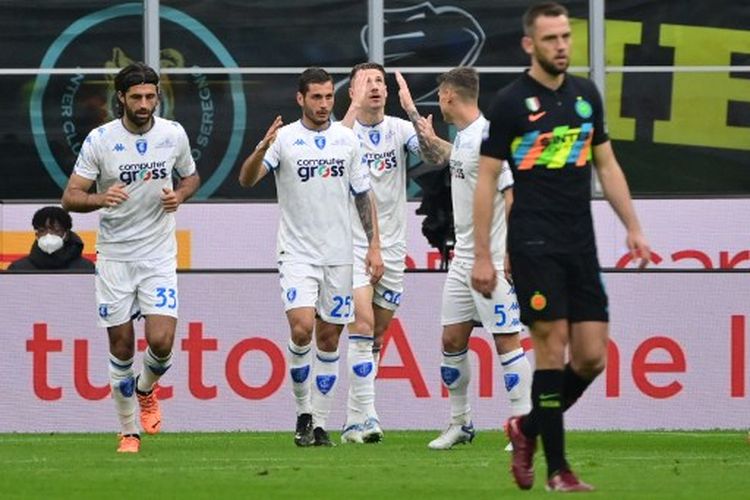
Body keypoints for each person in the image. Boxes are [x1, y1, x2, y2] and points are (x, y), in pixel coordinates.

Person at [473, 2, 651, 492]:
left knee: (592, 357)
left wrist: (633, 227)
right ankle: (559, 470)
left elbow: (607, 166)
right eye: (551, 39)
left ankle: (525, 428)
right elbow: (487, 180)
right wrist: (485, 255)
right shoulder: (511, 103)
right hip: (533, 241)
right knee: (550, 350)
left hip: (579, 241)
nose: (562, 46)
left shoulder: (585, 95)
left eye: (566, 37)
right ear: (530, 44)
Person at [238, 67, 384, 447]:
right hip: (297, 253)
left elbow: (362, 195)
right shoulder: (284, 139)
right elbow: (247, 180)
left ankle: (319, 424)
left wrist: (373, 245)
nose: (323, 105)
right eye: (315, 97)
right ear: (300, 98)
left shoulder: (346, 141)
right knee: (302, 327)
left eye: (328, 97)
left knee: (330, 338)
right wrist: (259, 148)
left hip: (339, 255)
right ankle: (303, 413)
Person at [61, 62, 200, 453]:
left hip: (157, 254)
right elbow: (70, 196)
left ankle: (145, 389)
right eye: (136, 97)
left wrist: (181, 194)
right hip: (115, 257)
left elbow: (190, 176)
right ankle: (128, 432)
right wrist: (99, 198)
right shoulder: (100, 140)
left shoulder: (173, 134)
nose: (144, 104)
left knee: (161, 341)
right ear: (120, 97)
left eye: (150, 96)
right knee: (121, 347)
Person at [407, 67, 532, 450]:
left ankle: (524, 426)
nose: (438, 102)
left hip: (492, 260)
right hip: (463, 260)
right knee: (451, 339)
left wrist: (511, 253)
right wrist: (425, 133)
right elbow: (458, 162)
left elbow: (514, 197)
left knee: (506, 341)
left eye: (439, 96)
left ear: (448, 95)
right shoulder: (463, 138)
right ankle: (461, 423)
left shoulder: (491, 139)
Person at [336, 62, 443, 444]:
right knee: (361, 324)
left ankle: (355, 418)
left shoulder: (399, 129)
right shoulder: (340, 134)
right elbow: (335, 152)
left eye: (379, 81)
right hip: (351, 242)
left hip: (394, 245)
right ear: (350, 93)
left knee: (377, 335)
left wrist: (413, 112)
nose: (375, 87)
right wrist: (352, 107)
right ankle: (368, 417)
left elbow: (434, 157)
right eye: (365, 82)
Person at [7, 206, 94, 271]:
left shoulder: (85, 268)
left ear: (66, 234)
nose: (49, 235)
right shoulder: (18, 269)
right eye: (42, 230)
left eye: (56, 230)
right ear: (37, 235)